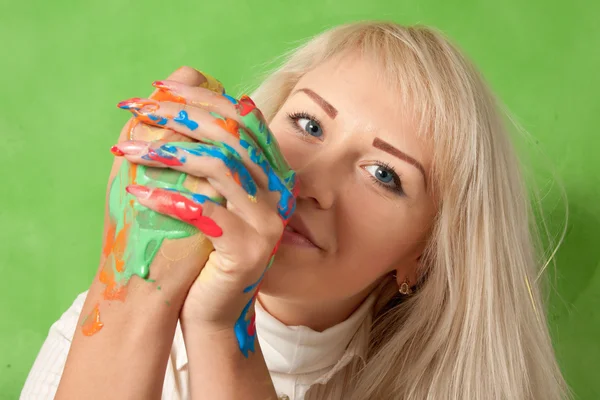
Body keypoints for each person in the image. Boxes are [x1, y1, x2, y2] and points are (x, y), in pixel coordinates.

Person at [21, 21, 569, 400]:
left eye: (384, 174)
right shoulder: (105, 315)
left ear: (422, 259)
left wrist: (221, 326)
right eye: (308, 124)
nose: (308, 181)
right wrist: (133, 278)